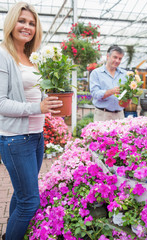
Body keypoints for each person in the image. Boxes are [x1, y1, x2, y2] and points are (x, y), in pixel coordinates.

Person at [0, 2, 63, 240]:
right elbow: (1, 103)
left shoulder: (29, 56)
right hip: (16, 139)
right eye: (22, 21)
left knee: (20, 194)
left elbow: (34, 92)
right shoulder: (3, 55)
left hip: (35, 136)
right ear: (11, 23)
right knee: (29, 203)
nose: (27, 27)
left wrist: (50, 102)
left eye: (32, 23)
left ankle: (9, 233)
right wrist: (38, 107)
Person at [89, 45, 127, 122]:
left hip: (120, 115)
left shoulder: (125, 74)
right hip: (102, 115)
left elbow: (127, 94)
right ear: (107, 56)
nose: (117, 61)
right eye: (115, 57)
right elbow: (95, 94)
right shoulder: (96, 73)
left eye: (120, 59)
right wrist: (111, 91)